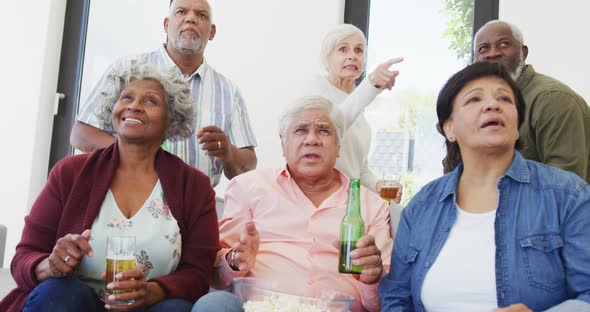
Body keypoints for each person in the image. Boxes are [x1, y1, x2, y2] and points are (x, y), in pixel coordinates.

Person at [0, 61, 220, 311]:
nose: (134, 106)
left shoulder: (195, 186)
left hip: (150, 306)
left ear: (171, 119)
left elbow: (198, 274)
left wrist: (151, 292)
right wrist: (50, 265)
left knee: (175, 308)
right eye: (126, 97)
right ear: (113, 109)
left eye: (150, 101)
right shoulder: (70, 172)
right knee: (58, 290)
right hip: (74, 302)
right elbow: (24, 256)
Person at [379, 62, 590, 311]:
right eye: (474, 99)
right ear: (449, 129)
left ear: (517, 128)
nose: (492, 105)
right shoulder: (422, 207)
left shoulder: (568, 196)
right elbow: (397, 296)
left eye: (504, 98)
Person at [192, 96, 393, 312]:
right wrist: (234, 261)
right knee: (213, 305)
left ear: (338, 146)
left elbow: (382, 303)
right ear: (283, 143)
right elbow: (216, 278)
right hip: (259, 308)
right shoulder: (248, 188)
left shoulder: (371, 205)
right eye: (301, 130)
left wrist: (371, 278)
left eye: (324, 131)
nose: (312, 140)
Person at [71, 0, 257, 187]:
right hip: (126, 194)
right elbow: (81, 134)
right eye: (181, 12)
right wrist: (138, 158)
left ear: (212, 32)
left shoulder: (228, 91)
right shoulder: (128, 70)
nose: (190, 19)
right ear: (166, 25)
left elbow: (248, 165)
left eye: (201, 15)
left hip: (194, 205)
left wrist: (227, 152)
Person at [472, 20, 590, 183]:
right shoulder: (478, 106)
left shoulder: (553, 99)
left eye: (504, 44)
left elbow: (564, 189)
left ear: (523, 52)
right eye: (483, 48)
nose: (493, 53)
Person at [306, 24, 404, 201]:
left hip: (349, 202)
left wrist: (377, 185)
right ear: (327, 58)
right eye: (343, 49)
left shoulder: (358, 105)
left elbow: (360, 171)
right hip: (320, 200)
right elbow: (329, 127)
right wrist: (370, 85)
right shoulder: (315, 93)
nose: (352, 55)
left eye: (358, 50)